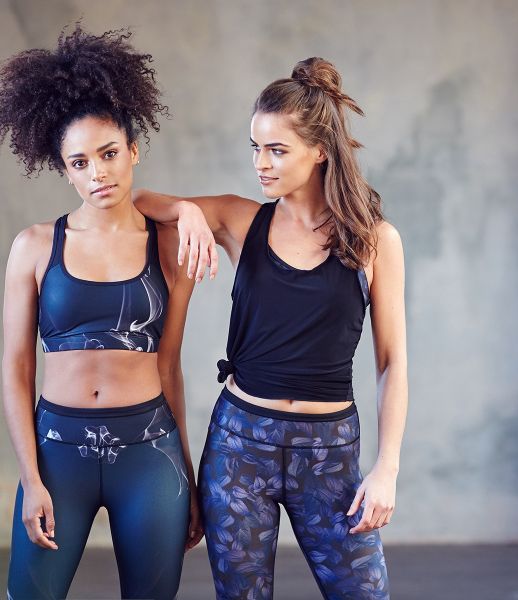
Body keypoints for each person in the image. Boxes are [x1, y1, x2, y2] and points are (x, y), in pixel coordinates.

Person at [135, 57, 408, 600]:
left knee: (365, 591)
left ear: (320, 150)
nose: (261, 163)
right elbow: (140, 202)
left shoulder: (375, 240)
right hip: (240, 446)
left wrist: (387, 468)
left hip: (330, 450)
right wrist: (188, 210)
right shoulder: (242, 220)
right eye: (255, 147)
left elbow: (391, 361)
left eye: (277, 150)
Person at [0, 25, 207, 600]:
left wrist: (186, 475)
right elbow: (15, 370)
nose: (99, 173)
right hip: (56, 456)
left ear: (133, 150)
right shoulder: (35, 246)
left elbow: (170, 366)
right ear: (64, 169)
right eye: (81, 162)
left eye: (110, 153)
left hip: (149, 454)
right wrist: (31, 478)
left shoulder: (169, 249)